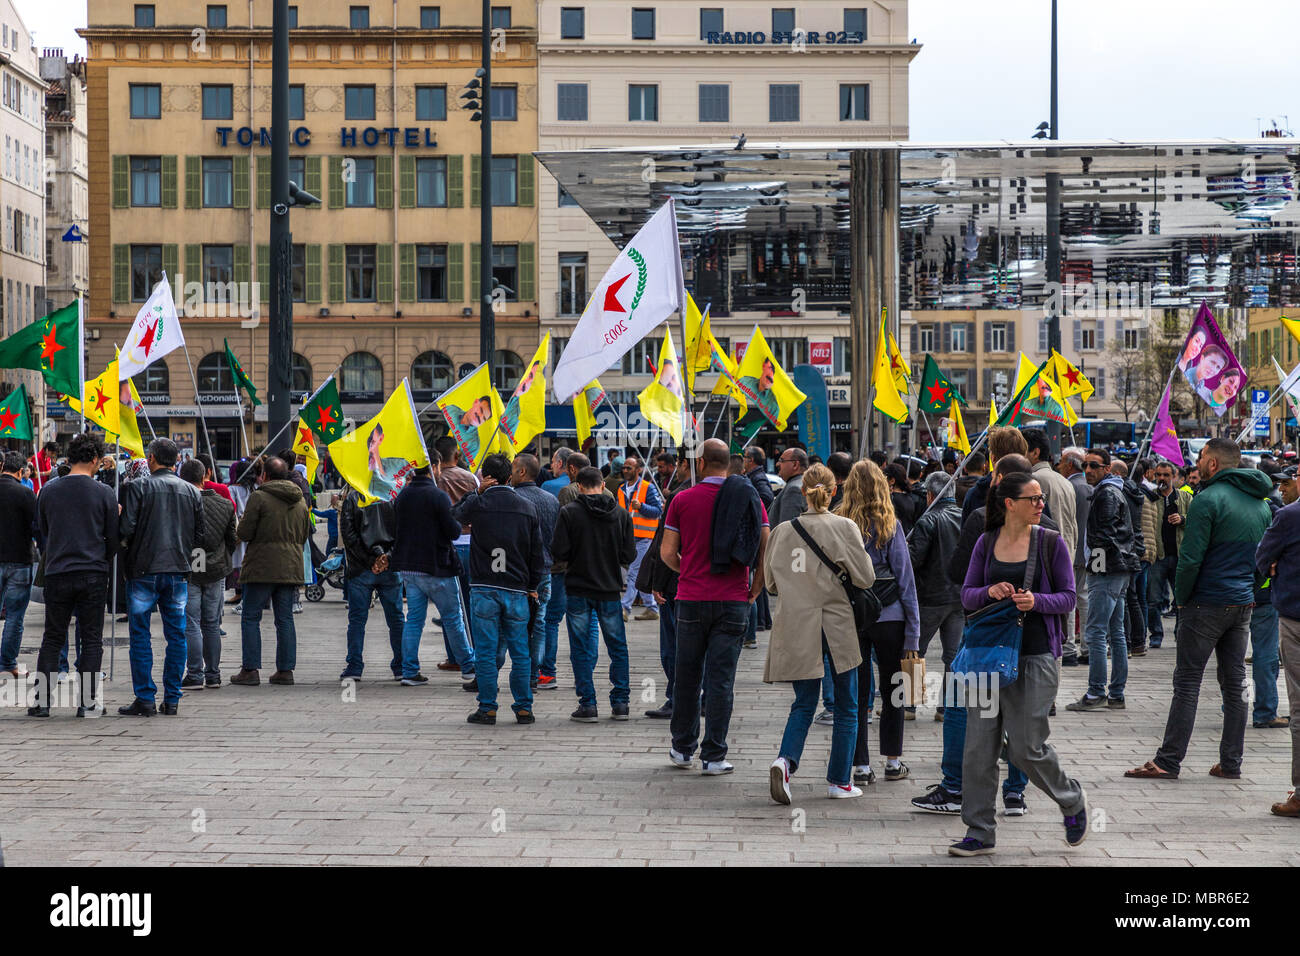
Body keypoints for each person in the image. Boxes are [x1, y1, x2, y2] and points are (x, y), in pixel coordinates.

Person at [948, 472, 1087, 857]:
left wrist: (1036, 602)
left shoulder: (1051, 542)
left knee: (1027, 747)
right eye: (1034, 498)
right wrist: (989, 591)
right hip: (989, 657)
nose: (1041, 504)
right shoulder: (985, 541)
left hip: (1035, 657)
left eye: (1042, 498)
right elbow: (967, 595)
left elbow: (1069, 598)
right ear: (1009, 503)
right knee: (978, 749)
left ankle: (1071, 798)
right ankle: (979, 830)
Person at [1125, 438, 1272, 781]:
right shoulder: (1261, 504)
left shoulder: (1207, 500)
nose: (1198, 461)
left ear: (1214, 464)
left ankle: (1168, 760)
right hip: (1241, 603)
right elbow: (1264, 561)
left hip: (1205, 601)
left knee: (1187, 682)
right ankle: (1231, 762)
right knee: (1234, 683)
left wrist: (1181, 598)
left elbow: (1190, 559)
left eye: (1202, 456)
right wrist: (1251, 590)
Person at [764, 464, 874, 802]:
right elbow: (866, 578)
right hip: (836, 624)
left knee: (804, 701)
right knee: (847, 703)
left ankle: (785, 761)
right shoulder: (845, 527)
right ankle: (839, 780)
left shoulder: (783, 530)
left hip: (797, 623)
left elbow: (770, 584)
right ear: (833, 490)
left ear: (802, 492)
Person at [660, 438, 768, 774]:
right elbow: (767, 546)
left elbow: (666, 552)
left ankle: (682, 749)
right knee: (721, 681)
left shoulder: (682, 499)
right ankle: (714, 756)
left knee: (687, 676)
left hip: (691, 599)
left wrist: (687, 569)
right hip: (733, 600)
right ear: (729, 464)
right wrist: (756, 586)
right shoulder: (749, 497)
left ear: (702, 463)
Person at [837, 460, 920, 784]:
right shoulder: (890, 525)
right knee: (894, 690)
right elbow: (905, 580)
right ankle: (892, 761)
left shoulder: (841, 523)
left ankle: (859, 765)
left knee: (856, 692)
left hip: (852, 615)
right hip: (891, 616)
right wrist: (913, 631)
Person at [25, 435, 117, 717]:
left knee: (53, 637)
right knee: (91, 639)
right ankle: (88, 704)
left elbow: (41, 531)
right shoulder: (104, 493)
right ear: (93, 460)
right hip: (92, 572)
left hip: (57, 571)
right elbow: (112, 540)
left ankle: (41, 703)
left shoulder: (49, 492)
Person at [453, 453, 544, 725]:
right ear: (509, 476)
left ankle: (488, 707)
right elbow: (536, 554)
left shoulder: (479, 504)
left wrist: (475, 491)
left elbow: (455, 514)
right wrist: (532, 587)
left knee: (485, 651)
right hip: (516, 588)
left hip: (484, 587)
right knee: (520, 652)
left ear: (485, 477)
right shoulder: (527, 507)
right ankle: (524, 707)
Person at [117, 438, 204, 717]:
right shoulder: (192, 491)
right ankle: (173, 698)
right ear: (176, 460)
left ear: (151, 458)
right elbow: (199, 536)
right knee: (176, 634)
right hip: (178, 571)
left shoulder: (137, 486)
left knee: (140, 634)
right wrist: (190, 563)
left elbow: (126, 528)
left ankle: (145, 697)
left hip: (143, 570)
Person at [551, 465, 637, 721]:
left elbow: (559, 551)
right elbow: (629, 555)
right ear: (602, 484)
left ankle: (587, 704)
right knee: (618, 647)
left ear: (579, 486)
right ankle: (620, 702)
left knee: (580, 648)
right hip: (609, 589)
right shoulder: (621, 514)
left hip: (578, 588)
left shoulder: (569, 512)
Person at [391, 455, 474, 687]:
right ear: (434, 467)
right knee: (453, 618)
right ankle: (468, 666)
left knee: (414, 620)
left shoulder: (403, 496)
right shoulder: (438, 496)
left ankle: (409, 670)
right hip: (437, 567)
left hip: (410, 568)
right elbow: (453, 531)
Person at [1065, 448, 1137, 712]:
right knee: (1115, 632)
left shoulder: (1106, 493)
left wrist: (1096, 568)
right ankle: (1116, 693)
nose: (1088, 471)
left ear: (1107, 468)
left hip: (1107, 570)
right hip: (1118, 568)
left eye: (1093, 466)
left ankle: (1097, 692)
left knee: (1096, 632)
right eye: (1085, 465)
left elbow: (1104, 536)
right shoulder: (1113, 491)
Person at [229, 457, 311, 686]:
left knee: (251, 616)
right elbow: (304, 534)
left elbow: (244, 533)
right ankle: (285, 670)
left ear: (264, 475)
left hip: (261, 567)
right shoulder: (300, 500)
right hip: (290, 566)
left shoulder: (259, 497)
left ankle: (250, 669)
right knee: (284, 619)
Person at [635, 454, 695, 718]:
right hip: (702, 585)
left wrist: (657, 584)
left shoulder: (679, 496)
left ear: (685, 464)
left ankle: (675, 699)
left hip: (675, 583)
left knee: (672, 645)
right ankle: (698, 697)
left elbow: (665, 544)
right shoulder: (720, 493)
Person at [1256, 479, 1300, 815]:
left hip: (1296, 616)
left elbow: (1262, 558)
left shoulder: (1289, 516)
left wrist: (1276, 566)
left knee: (1299, 706)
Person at [909, 471, 964, 719]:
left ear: (931, 494)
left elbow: (913, 560)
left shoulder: (928, 520)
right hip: (960, 597)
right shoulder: (966, 517)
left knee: (914, 650)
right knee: (953, 654)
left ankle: (908, 705)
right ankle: (947, 706)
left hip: (930, 596)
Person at [338, 480, 404, 682]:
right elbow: (403, 533)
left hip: (361, 568)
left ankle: (354, 666)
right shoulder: (393, 496)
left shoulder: (353, 498)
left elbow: (349, 536)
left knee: (357, 619)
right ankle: (402, 665)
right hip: (389, 567)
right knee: (396, 619)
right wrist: (387, 558)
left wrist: (370, 560)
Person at [180, 458, 236, 691]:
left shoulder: (181, 503)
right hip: (215, 567)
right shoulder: (225, 504)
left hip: (190, 566)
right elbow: (232, 539)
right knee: (211, 622)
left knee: (191, 621)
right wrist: (222, 556)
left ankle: (195, 674)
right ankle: (213, 674)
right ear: (205, 476)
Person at [510, 453, 559, 690]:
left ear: (521, 472)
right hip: (544, 571)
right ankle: (533, 673)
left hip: (516, 572)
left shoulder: (512, 498)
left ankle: (517, 672)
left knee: (513, 622)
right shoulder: (551, 500)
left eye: (512, 468)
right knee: (538, 623)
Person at [0, 450, 37, 678]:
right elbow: (36, 527)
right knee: (15, 616)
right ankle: (8, 663)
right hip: (20, 560)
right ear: (21, 471)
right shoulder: (25, 494)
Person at [1146, 460, 1190, 649]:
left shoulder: (1185, 498)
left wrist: (1182, 519)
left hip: (1179, 555)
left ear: (1174, 476)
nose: (1162, 478)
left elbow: (1197, 521)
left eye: (1166, 475)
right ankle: (1156, 634)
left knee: (1181, 598)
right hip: (1158, 556)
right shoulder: (1150, 497)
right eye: (1159, 475)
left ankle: (1180, 633)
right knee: (1153, 599)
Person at [617, 456, 664, 622]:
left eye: (629, 467)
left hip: (645, 537)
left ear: (638, 470)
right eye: (624, 467)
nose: (625, 470)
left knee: (633, 573)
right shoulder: (621, 489)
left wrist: (641, 506)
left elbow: (658, 510)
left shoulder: (647, 488)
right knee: (639, 573)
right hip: (629, 538)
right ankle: (651, 607)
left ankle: (624, 608)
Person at [1057, 447, 1093, 665]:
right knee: (1085, 600)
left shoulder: (1069, 486)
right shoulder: (1090, 487)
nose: (1059, 465)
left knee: (1070, 602)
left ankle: (1069, 647)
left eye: (1062, 461)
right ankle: (1087, 646)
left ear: (1070, 464)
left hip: (1070, 551)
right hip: (1088, 553)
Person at [770, 447, 807, 527]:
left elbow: (788, 531)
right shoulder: (797, 484)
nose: (777, 464)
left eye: (781, 461)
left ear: (795, 465)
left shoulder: (794, 490)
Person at [738, 357, 781, 424]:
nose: (771, 375)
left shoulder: (774, 405)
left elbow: (777, 423)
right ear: (763, 366)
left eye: (773, 371)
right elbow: (733, 386)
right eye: (770, 368)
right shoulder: (745, 381)